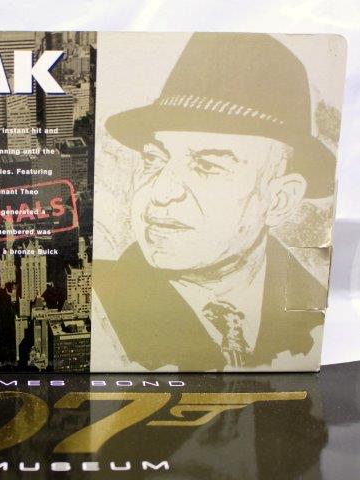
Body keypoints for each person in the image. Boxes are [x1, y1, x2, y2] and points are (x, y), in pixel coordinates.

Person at [92, 33, 333, 371]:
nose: (161, 192)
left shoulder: (321, 316)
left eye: (207, 165)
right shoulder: (97, 307)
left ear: (279, 200)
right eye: (153, 160)